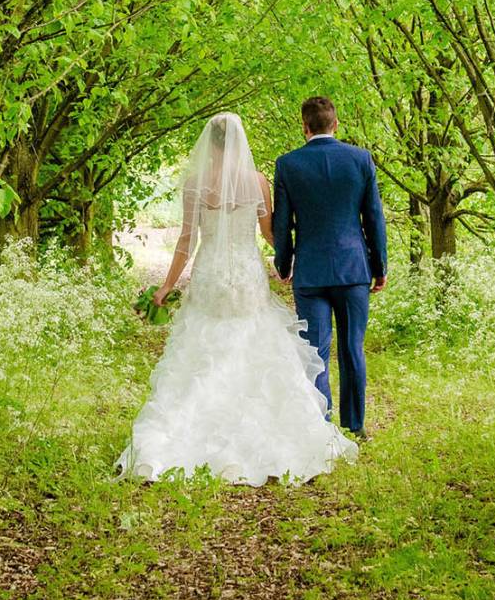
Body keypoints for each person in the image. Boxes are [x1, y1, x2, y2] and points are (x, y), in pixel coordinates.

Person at [116, 112, 358, 484]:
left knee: (202, 349)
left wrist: (166, 286)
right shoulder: (257, 182)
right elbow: (269, 233)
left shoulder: (196, 183)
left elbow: (186, 241)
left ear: (209, 143)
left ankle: (177, 440)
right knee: (253, 343)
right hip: (246, 277)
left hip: (211, 275)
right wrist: (288, 263)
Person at [270, 95, 387, 439]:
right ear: (335, 124)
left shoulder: (288, 164)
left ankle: (321, 424)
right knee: (352, 346)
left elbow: (282, 224)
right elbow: (374, 218)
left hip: (310, 272)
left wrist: (284, 263)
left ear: (304, 127)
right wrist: (379, 265)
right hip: (353, 270)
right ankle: (356, 424)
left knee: (316, 349)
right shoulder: (360, 159)